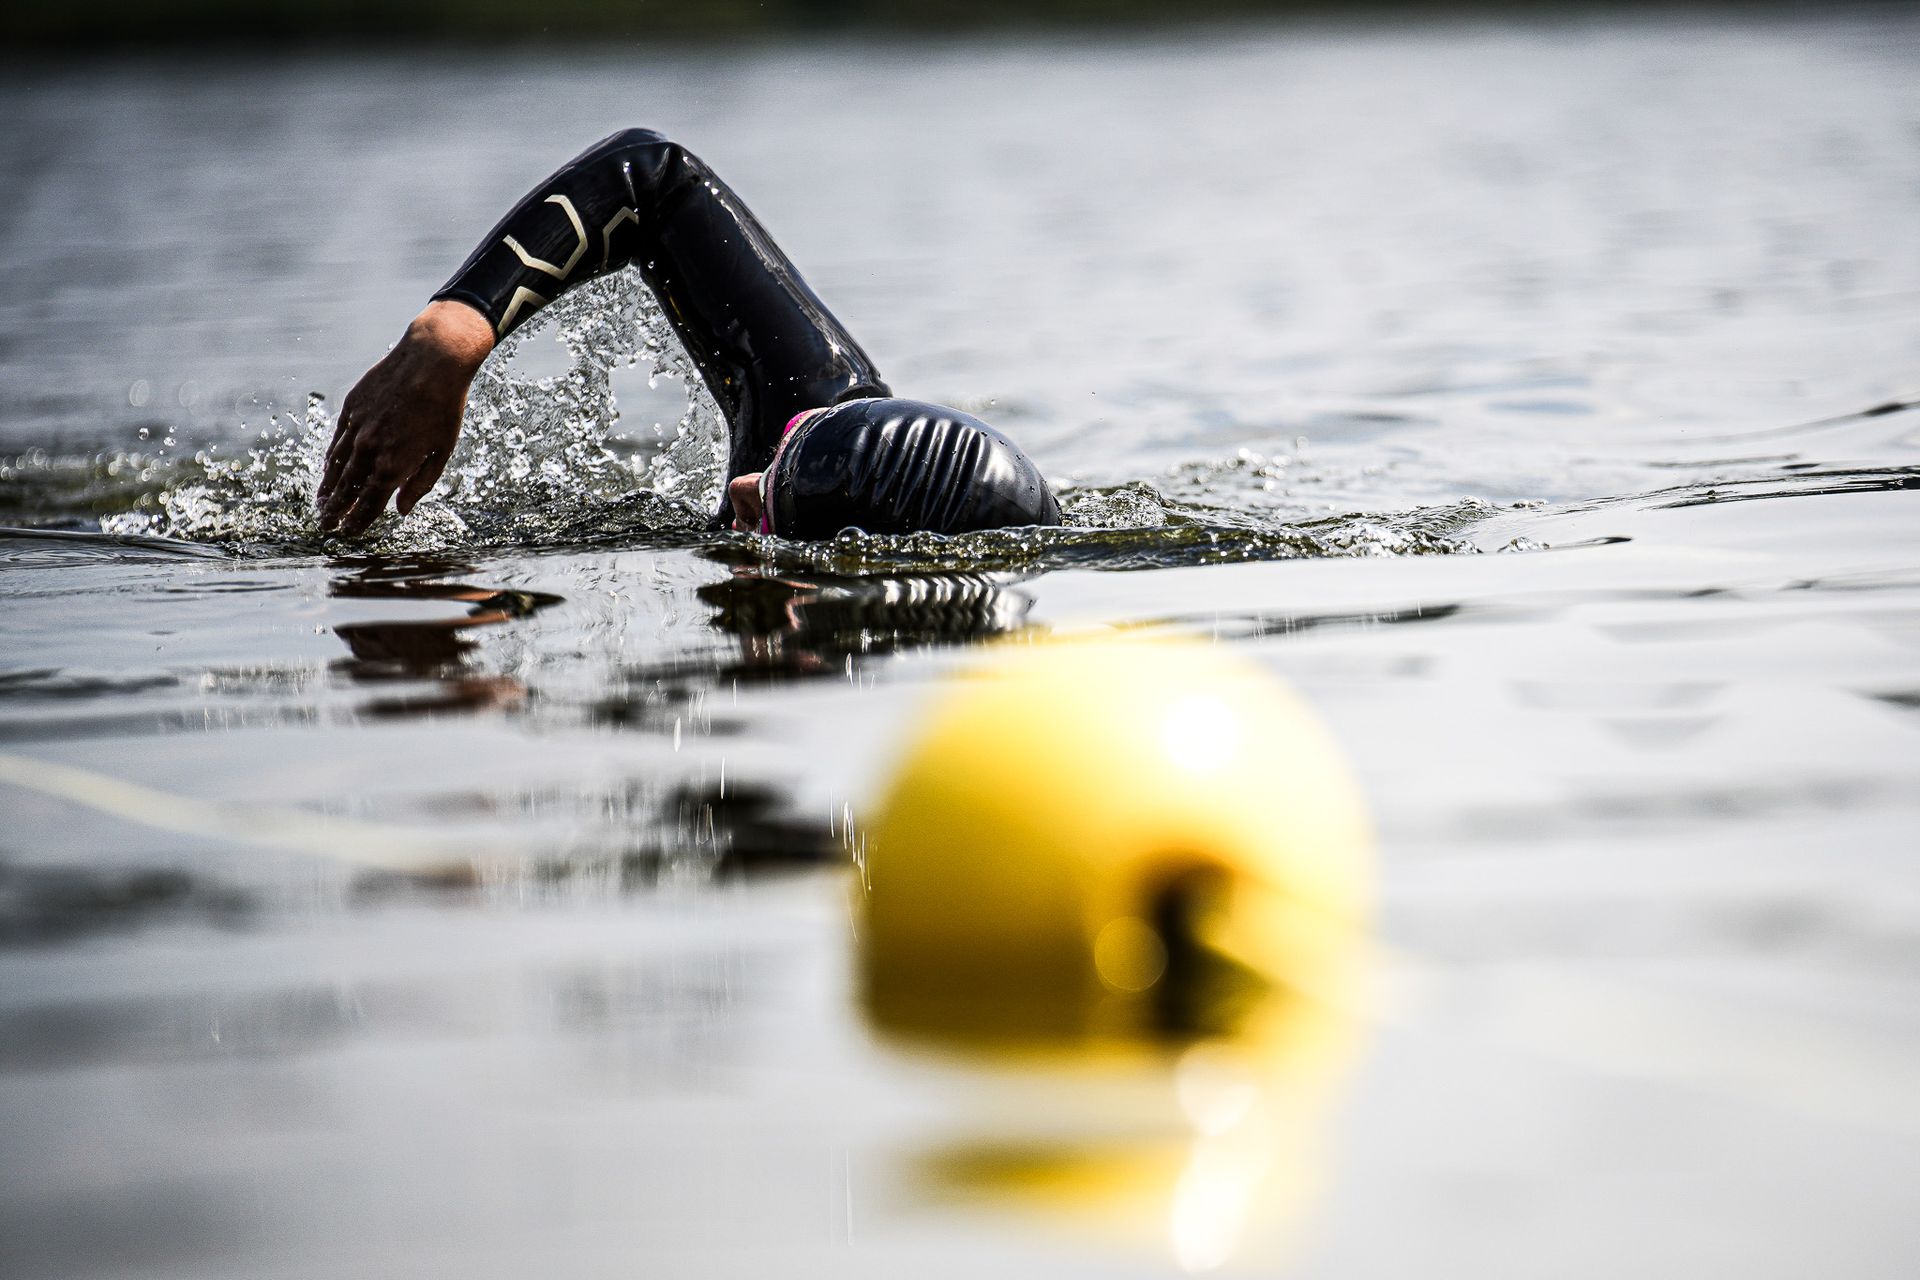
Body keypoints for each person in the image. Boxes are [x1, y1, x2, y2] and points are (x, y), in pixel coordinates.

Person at [316, 129, 1061, 540]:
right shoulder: (820, 397)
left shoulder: (821, 680)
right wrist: (453, 333)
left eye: (772, 502)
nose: (739, 485)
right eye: (775, 462)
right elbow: (652, 178)